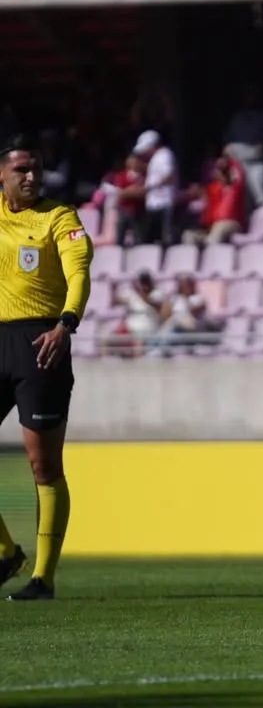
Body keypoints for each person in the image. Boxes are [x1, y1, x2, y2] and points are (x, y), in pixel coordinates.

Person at [0, 141, 93, 601]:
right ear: (3, 175)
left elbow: (79, 273)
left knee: (43, 464)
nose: (31, 177)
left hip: (42, 340)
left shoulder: (60, 218)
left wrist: (66, 323)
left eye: (36, 169)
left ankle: (43, 578)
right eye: (21, 170)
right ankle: (4, 552)